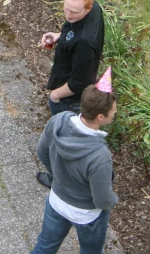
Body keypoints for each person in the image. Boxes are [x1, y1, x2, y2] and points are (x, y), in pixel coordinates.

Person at [31, 69, 118, 254]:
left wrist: (57, 175)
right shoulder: (100, 156)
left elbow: (41, 151)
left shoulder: (59, 121)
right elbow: (102, 199)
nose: (115, 114)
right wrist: (113, 200)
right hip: (87, 216)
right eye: (113, 112)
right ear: (100, 117)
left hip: (56, 202)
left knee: (45, 247)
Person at [37, 0, 104, 188]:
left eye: (74, 12)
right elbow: (72, 27)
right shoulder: (93, 11)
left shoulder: (84, 42)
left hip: (69, 98)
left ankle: (61, 180)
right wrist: (61, 36)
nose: (68, 15)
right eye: (66, 8)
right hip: (69, 85)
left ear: (88, 8)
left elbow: (78, 83)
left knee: (63, 143)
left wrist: (55, 96)